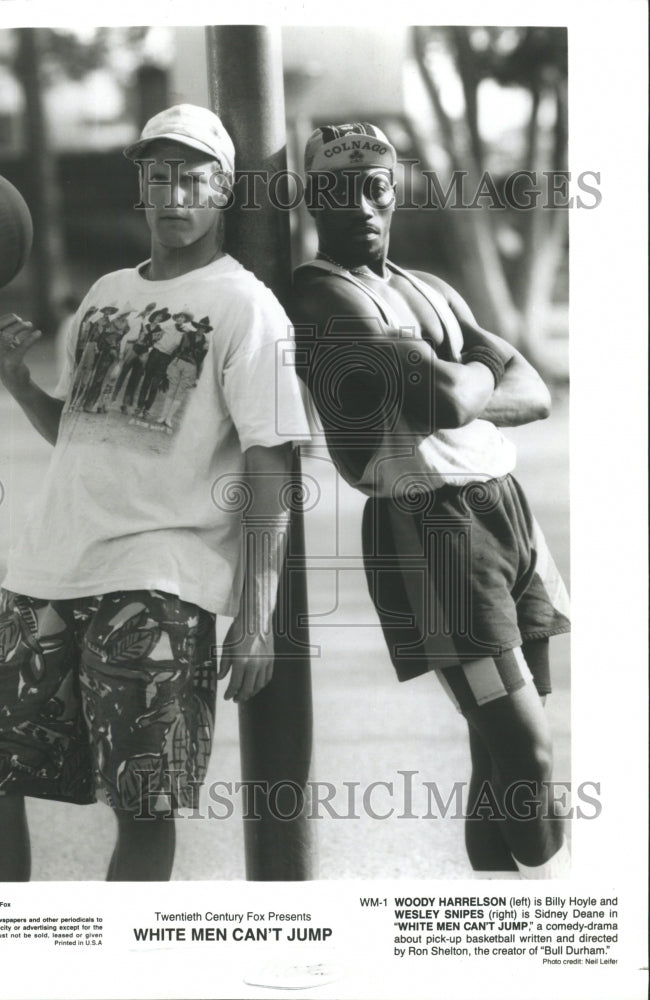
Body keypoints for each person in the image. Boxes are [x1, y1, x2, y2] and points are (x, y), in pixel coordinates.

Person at [0, 104, 311, 881]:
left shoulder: (245, 307)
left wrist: (256, 613)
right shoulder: (107, 293)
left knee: (144, 803)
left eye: (193, 177)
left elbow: (271, 462)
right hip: (45, 574)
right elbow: (84, 429)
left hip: (156, 585)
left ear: (224, 191)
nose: (175, 192)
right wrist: (19, 386)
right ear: (141, 189)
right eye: (159, 176)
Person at [291, 122, 571, 878]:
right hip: (432, 526)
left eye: (375, 187)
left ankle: (486, 936)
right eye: (337, 191)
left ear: (396, 192)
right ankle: (545, 899)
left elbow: (536, 389)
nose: (360, 206)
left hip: (505, 509)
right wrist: (478, 376)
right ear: (313, 198)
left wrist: (466, 382)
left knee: (495, 756)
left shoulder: (428, 288)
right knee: (532, 764)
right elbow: (451, 395)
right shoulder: (321, 297)